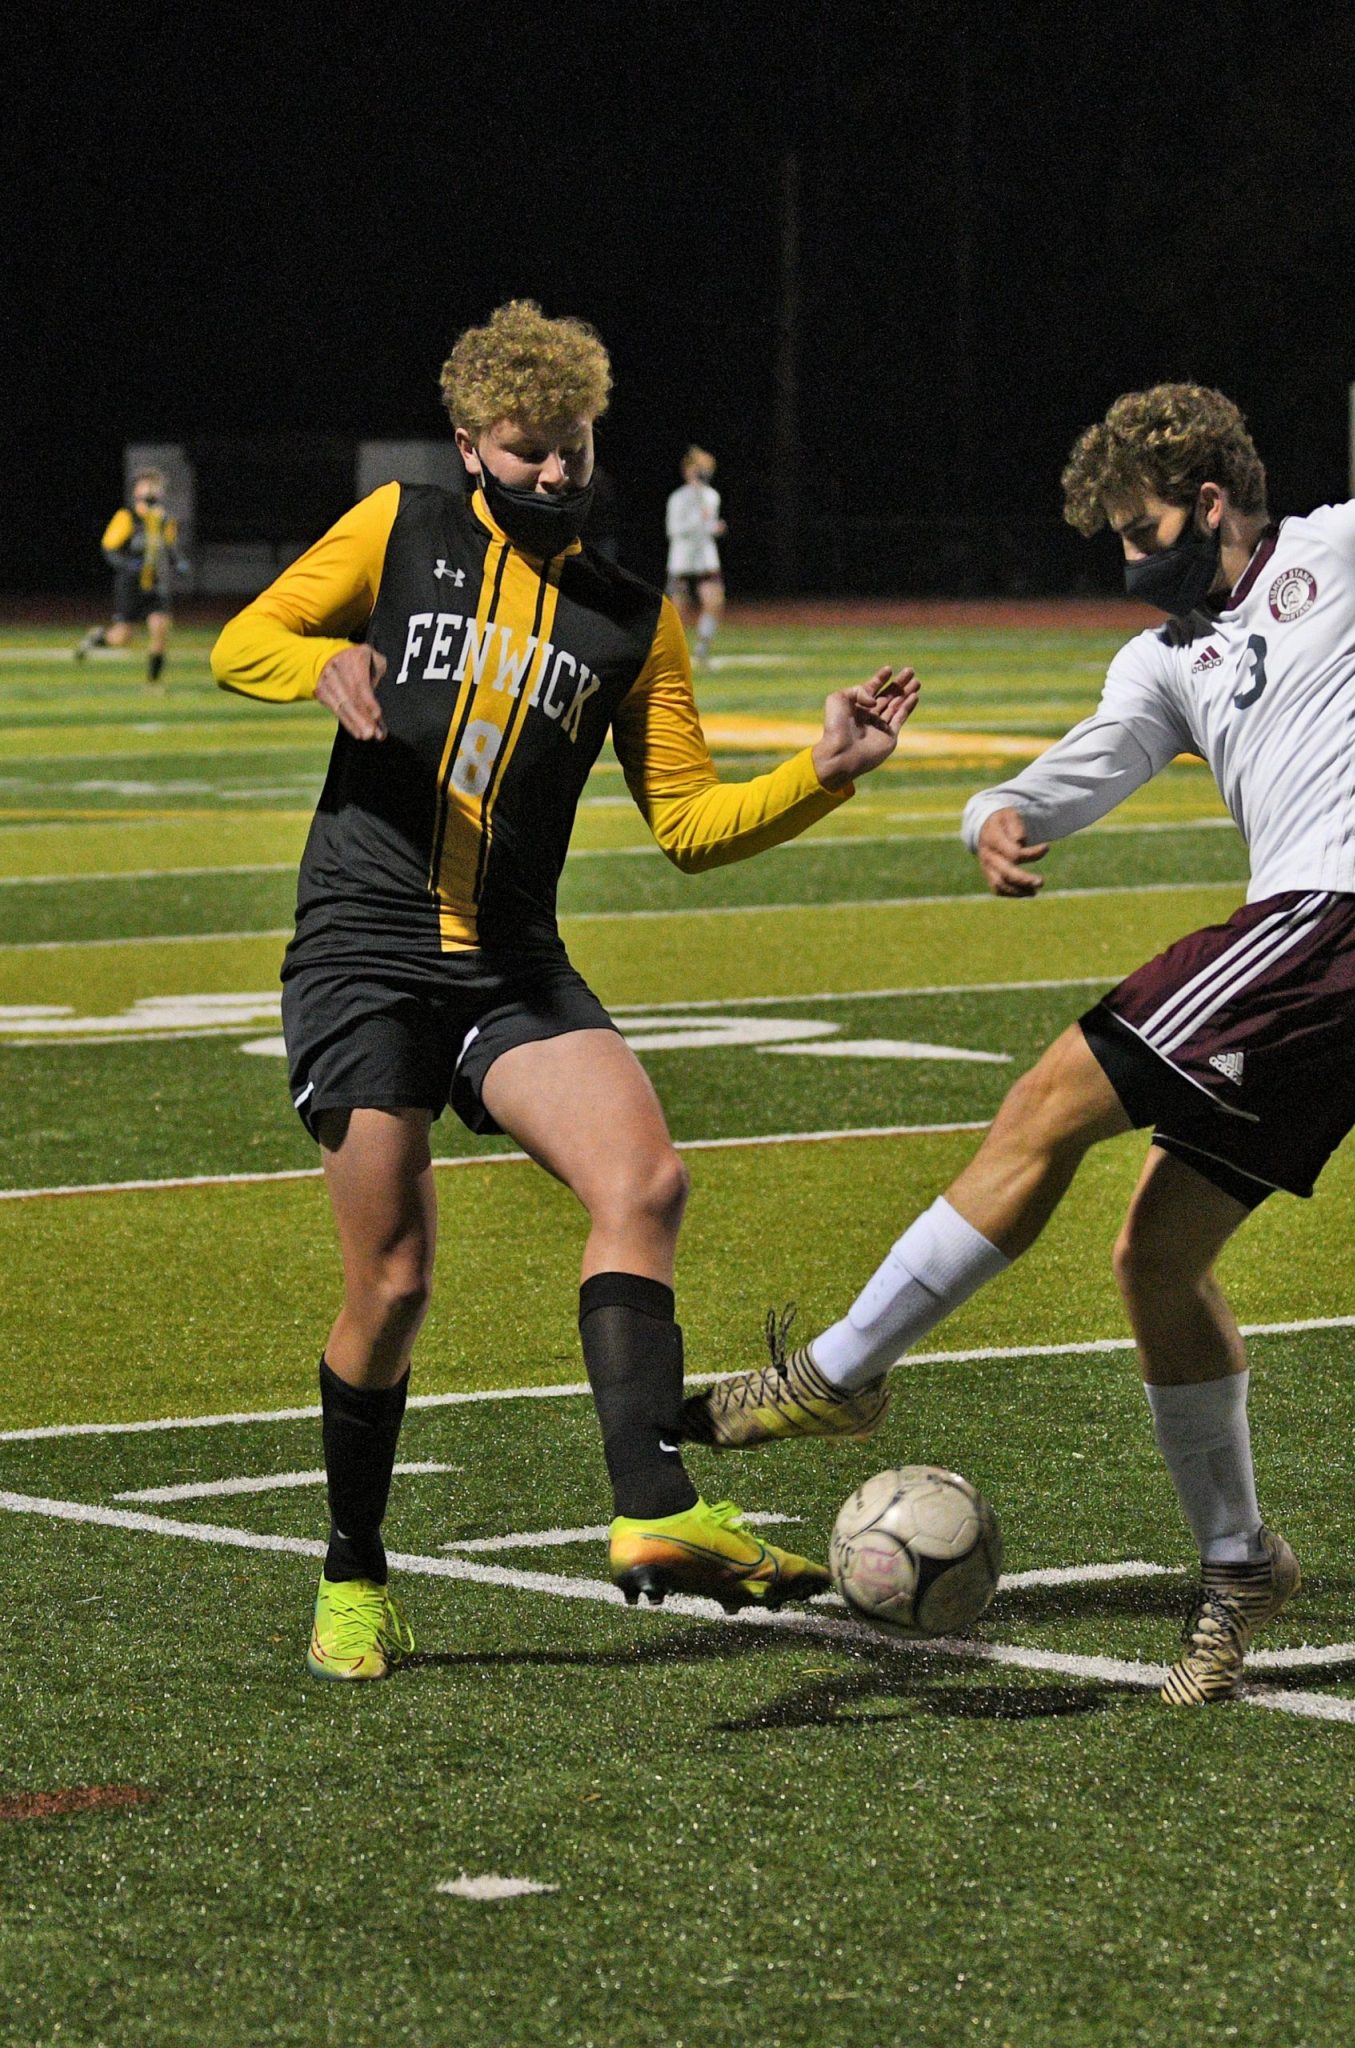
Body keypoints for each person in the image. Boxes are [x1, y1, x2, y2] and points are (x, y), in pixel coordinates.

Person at [681, 382, 1355, 1706]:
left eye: (1141, 527)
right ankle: (1239, 1568)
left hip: (1343, 923)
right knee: (1155, 1260)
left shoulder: (1344, 548)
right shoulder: (1166, 657)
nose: (1130, 559)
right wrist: (995, 814)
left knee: (1049, 1098)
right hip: (1344, 969)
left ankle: (838, 1372)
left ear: (1211, 500)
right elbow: (1092, 760)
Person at [210, 300, 919, 1682]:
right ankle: (354, 1572)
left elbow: (690, 826)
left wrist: (825, 775)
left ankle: (654, 1508)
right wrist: (323, 662)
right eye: (526, 449)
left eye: (572, 448)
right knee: (395, 1283)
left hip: (510, 961)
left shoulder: (625, 618)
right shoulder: (399, 529)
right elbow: (249, 640)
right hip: (362, 949)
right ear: (472, 442)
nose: (552, 473)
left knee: (643, 1182)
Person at [75, 467, 187, 684]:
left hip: (156, 583)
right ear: (137, 490)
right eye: (147, 486)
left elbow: (170, 548)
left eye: (156, 487)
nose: (151, 491)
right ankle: (97, 638)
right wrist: (127, 564)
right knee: (122, 637)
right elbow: (109, 548)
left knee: (160, 630)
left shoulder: (165, 520)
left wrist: (179, 562)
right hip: (130, 585)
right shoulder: (127, 517)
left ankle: (153, 683)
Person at [665, 446, 725, 667]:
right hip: (682, 561)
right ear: (687, 471)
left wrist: (714, 527)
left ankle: (702, 649)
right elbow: (673, 530)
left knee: (715, 601)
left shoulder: (712, 496)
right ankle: (674, 655)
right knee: (677, 610)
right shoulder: (678, 498)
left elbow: (708, 525)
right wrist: (699, 521)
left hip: (706, 559)